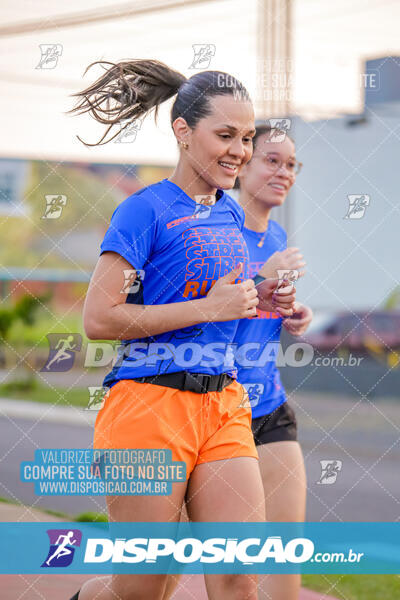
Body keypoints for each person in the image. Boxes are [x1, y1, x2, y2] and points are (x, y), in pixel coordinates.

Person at [66, 59, 296, 600]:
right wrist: (209, 308)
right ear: (183, 131)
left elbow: (224, 305)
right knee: (145, 587)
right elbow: (99, 319)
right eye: (225, 135)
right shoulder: (141, 211)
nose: (239, 151)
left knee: (238, 578)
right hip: (146, 408)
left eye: (245, 137)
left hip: (223, 406)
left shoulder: (233, 215)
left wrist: (261, 299)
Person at [235, 123, 312, 600]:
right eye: (272, 160)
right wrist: (264, 275)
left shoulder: (278, 234)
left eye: (292, 165)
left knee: (285, 555)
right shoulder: (214, 230)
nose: (284, 173)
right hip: (213, 412)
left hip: (270, 407)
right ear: (243, 163)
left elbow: (263, 312)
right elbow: (203, 322)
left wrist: (293, 314)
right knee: (159, 573)